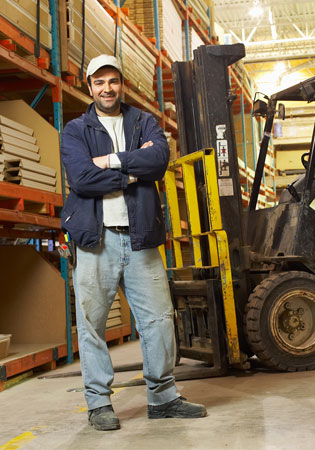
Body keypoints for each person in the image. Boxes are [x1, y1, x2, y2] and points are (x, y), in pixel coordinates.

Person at [60, 54, 206, 431]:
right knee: (92, 324)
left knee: (158, 319)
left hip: (140, 238)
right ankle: (98, 403)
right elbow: (80, 179)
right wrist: (129, 173)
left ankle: (163, 396)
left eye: (112, 81)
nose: (106, 89)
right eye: (98, 83)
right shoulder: (76, 130)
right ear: (88, 86)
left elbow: (157, 162)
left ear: (121, 83)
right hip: (96, 241)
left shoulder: (143, 121)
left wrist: (108, 161)